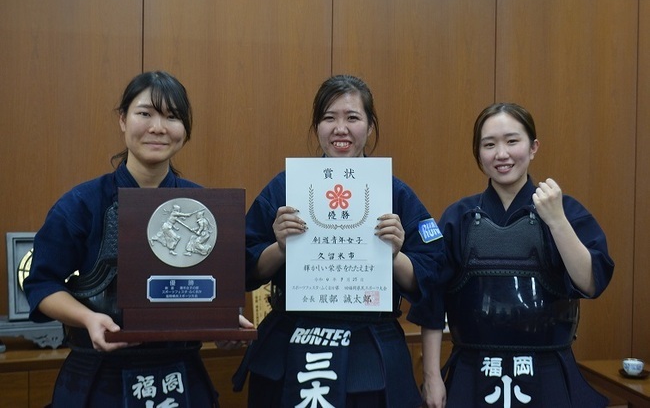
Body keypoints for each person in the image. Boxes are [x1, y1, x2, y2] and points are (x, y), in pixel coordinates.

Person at [24, 71, 253, 408]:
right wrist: (88, 318)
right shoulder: (81, 204)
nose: (158, 127)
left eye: (172, 116)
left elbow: (213, 285)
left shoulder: (204, 207)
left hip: (182, 377)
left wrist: (221, 322)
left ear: (185, 129)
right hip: (100, 378)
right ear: (122, 119)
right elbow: (41, 285)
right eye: (145, 113)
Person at [232, 74, 447, 407]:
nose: (340, 128)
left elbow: (433, 275)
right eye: (329, 118)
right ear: (317, 126)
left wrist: (394, 255)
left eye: (352, 118)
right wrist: (280, 249)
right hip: (293, 336)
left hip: (370, 343)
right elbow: (244, 265)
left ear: (370, 126)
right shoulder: (286, 187)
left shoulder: (393, 193)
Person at [421, 102, 615, 407]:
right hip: (473, 366)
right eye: (489, 144)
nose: (502, 154)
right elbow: (432, 301)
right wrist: (432, 377)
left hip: (547, 367)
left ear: (533, 147)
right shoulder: (457, 217)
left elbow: (591, 283)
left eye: (512, 141)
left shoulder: (565, 211)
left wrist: (557, 220)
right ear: (478, 153)